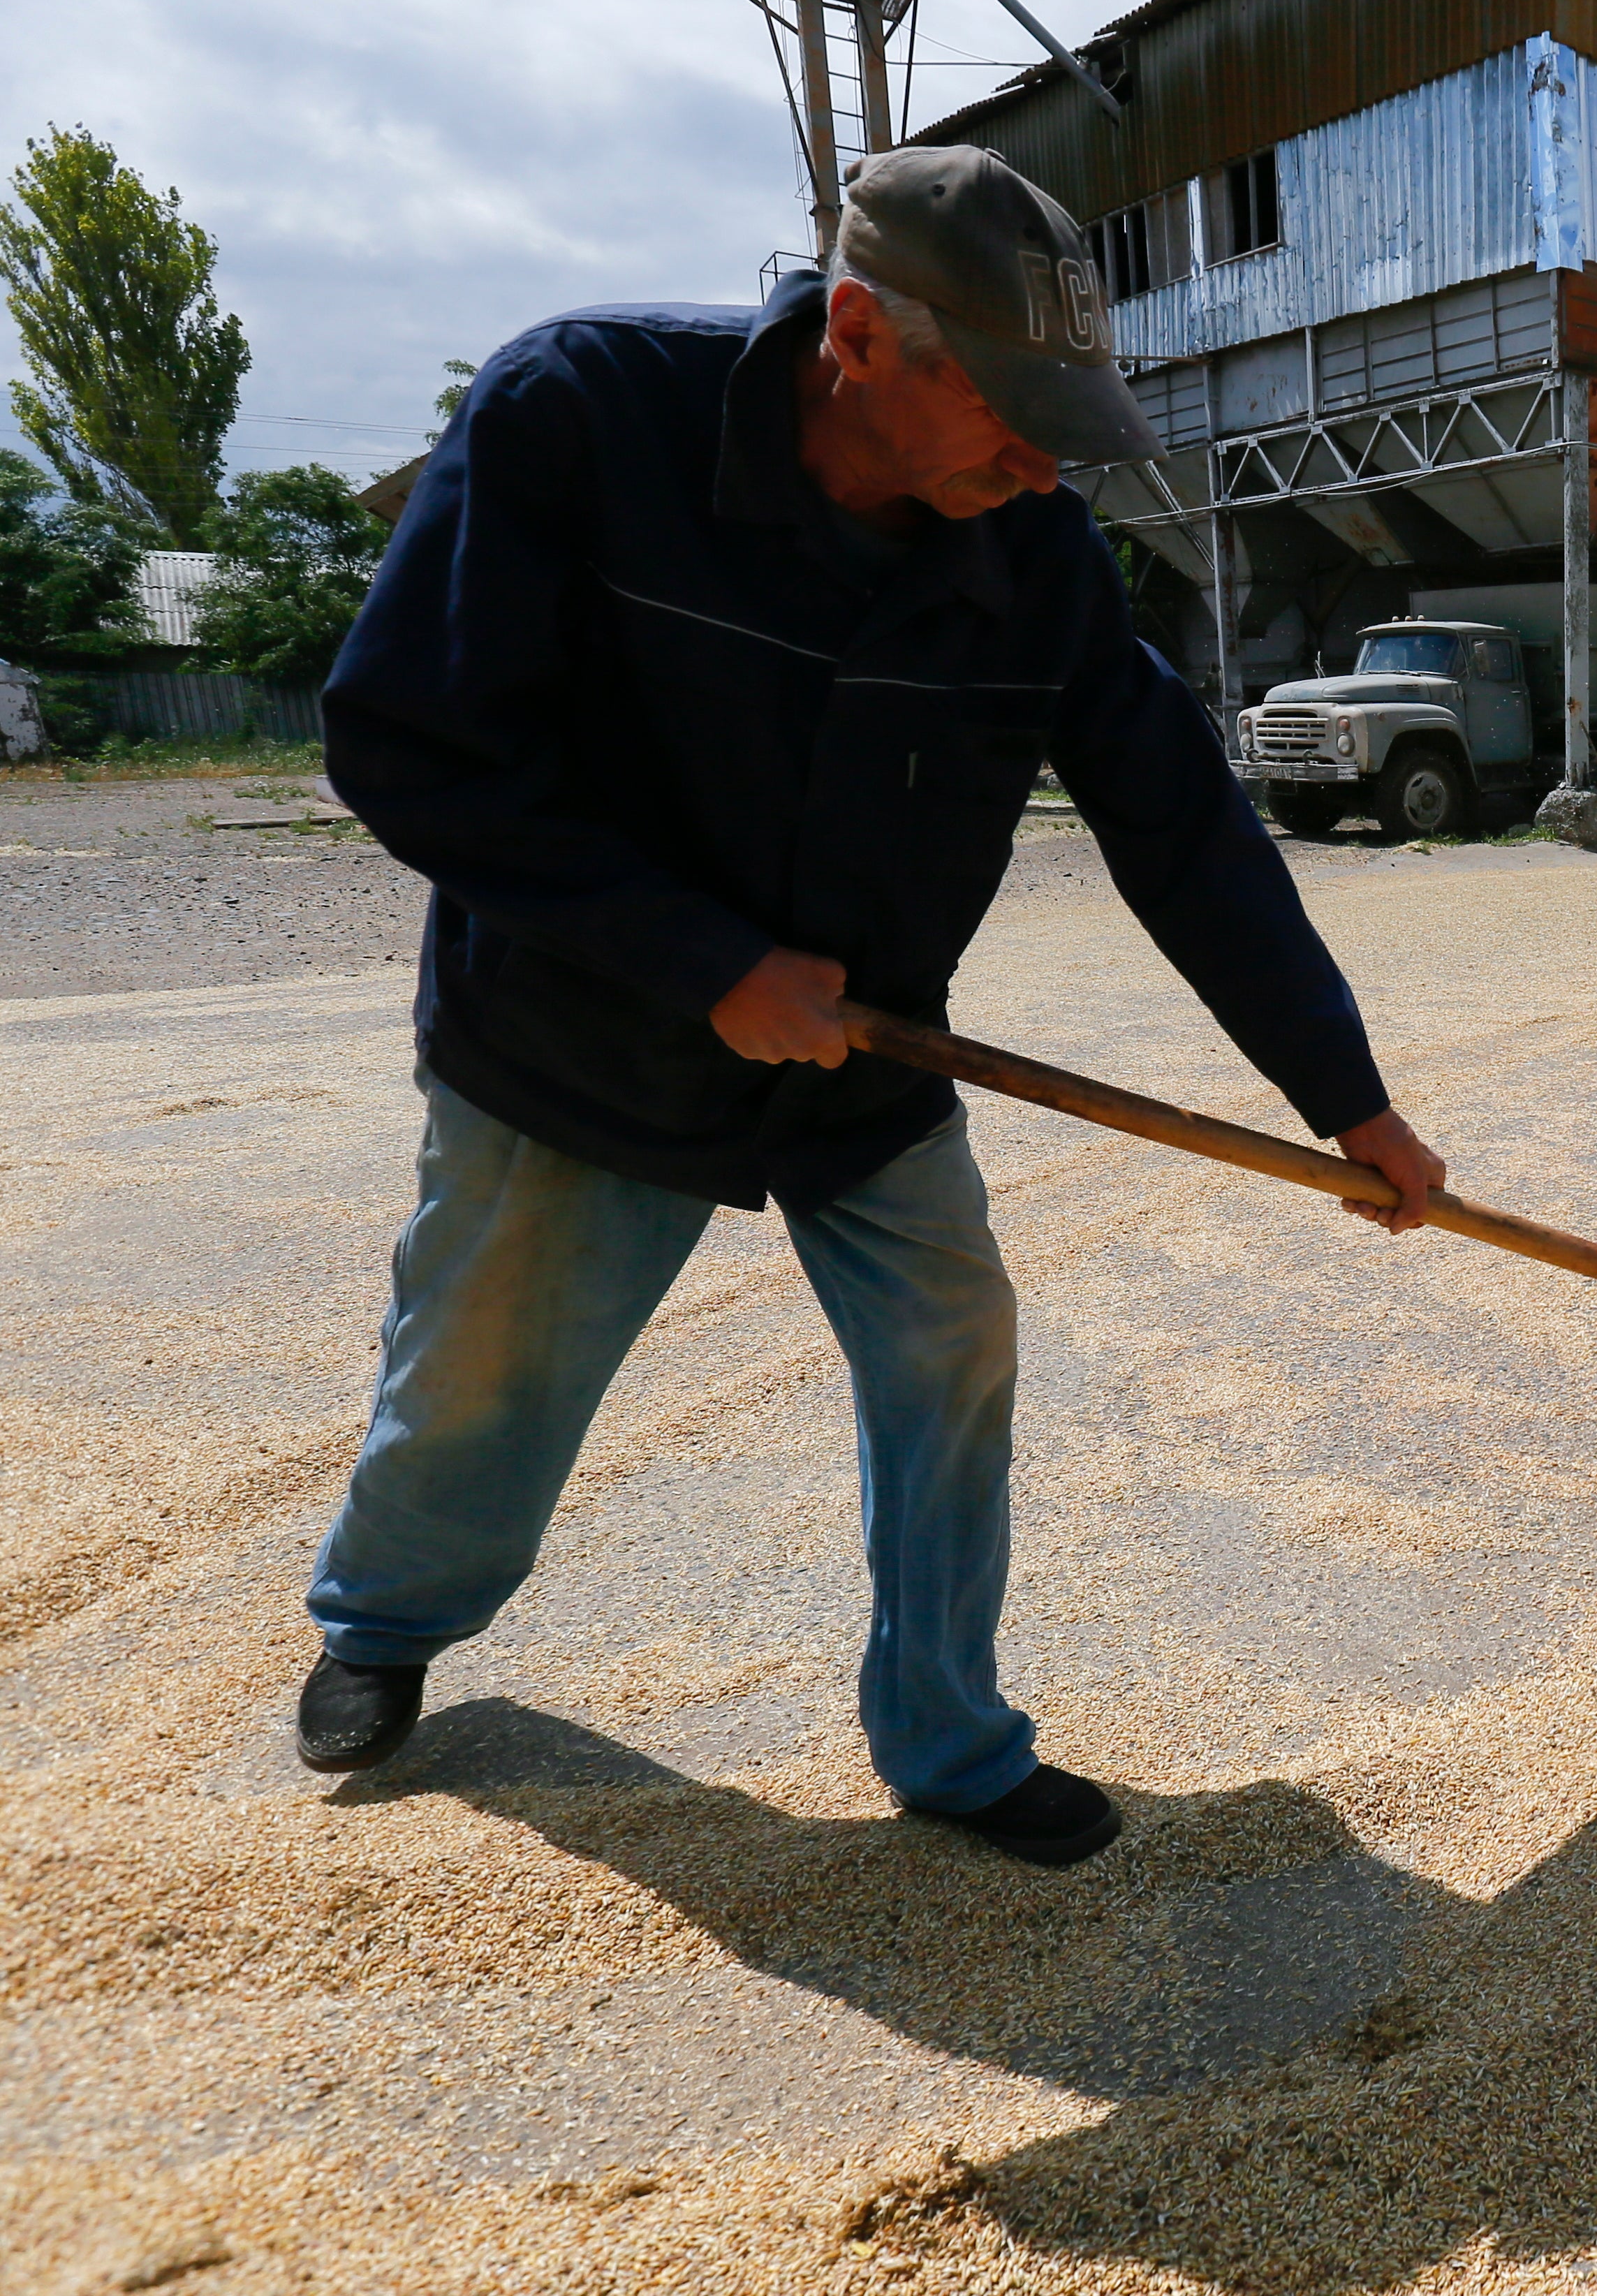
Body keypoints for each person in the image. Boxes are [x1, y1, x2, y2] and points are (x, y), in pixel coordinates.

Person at [298, 146, 1447, 1868]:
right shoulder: (584, 418)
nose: (1044, 458)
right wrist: (704, 963)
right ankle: (385, 1622)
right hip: (582, 1035)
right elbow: (410, 743)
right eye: (1009, 411)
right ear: (857, 332)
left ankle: (948, 1736)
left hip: (861, 1053)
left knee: (951, 1338)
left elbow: (1182, 828)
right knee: (484, 1371)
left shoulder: (1032, 550)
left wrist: (1342, 1098)